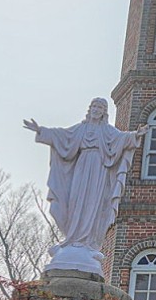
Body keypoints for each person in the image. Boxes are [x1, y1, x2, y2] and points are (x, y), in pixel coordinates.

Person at [24, 98, 144, 275]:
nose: (96, 110)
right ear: (90, 109)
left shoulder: (107, 131)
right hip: (81, 168)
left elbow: (122, 139)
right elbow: (63, 136)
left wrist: (135, 135)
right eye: (94, 107)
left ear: (104, 112)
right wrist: (41, 131)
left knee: (92, 206)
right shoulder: (81, 129)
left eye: (100, 108)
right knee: (75, 203)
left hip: (99, 171)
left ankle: (87, 243)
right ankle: (72, 239)